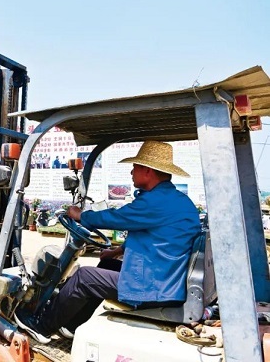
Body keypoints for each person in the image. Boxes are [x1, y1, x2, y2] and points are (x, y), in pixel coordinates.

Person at [16, 140, 200, 343]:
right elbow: (158, 237)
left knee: (84, 277)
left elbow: (118, 218)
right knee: (107, 264)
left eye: (135, 167)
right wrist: (116, 251)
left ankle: (41, 326)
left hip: (153, 288)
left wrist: (81, 216)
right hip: (165, 279)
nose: (131, 172)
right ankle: (71, 324)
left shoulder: (156, 201)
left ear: (147, 171)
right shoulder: (175, 200)